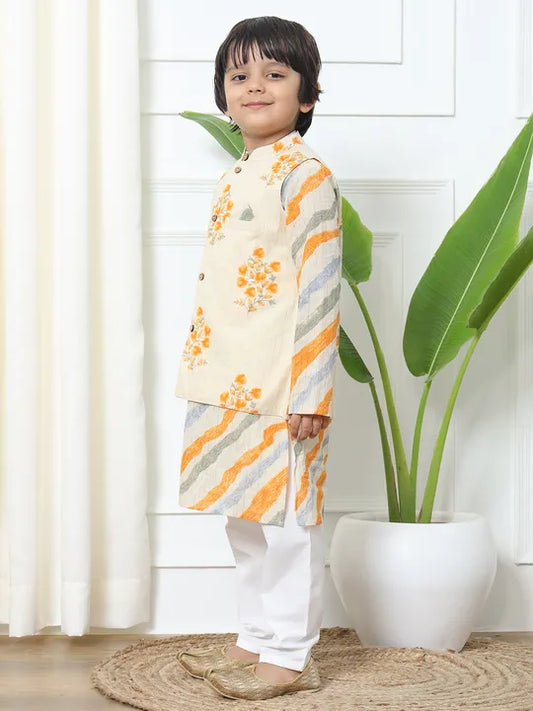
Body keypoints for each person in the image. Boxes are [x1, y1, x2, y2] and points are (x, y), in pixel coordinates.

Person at [174, 15, 342, 701]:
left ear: (307, 94)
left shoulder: (304, 174)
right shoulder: (239, 172)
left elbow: (320, 290)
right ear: (223, 94)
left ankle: (290, 653)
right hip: (223, 378)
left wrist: (312, 391)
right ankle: (254, 635)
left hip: (281, 386)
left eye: (274, 73)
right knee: (242, 514)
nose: (254, 86)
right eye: (239, 74)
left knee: (289, 524)